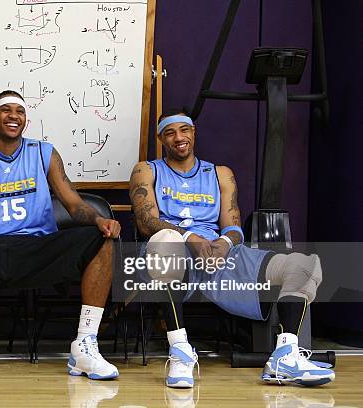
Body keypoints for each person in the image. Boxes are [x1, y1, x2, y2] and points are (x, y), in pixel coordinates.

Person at [0, 90, 121, 383]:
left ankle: (85, 345)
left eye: (20, 111)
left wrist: (98, 218)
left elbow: (74, 204)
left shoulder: (44, 152)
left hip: (35, 249)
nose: (13, 116)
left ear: (25, 119)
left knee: (101, 238)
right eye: (6, 110)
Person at [128, 109, 335, 388]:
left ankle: (285, 355)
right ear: (161, 139)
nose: (179, 137)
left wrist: (224, 244)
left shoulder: (220, 173)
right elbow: (146, 221)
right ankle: (180, 353)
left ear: (193, 132)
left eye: (184, 130)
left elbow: (232, 226)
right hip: (172, 253)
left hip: (216, 254)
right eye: (170, 132)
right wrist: (190, 237)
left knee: (304, 264)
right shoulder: (147, 169)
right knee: (166, 241)